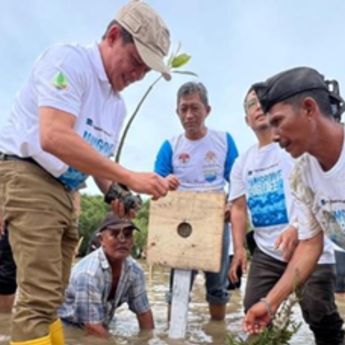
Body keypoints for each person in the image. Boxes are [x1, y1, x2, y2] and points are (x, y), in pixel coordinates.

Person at [0, 1, 171, 344]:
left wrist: (116, 192)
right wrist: (130, 175)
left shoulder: (116, 106)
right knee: (36, 297)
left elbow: (94, 162)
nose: (138, 75)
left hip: (68, 191)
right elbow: (53, 136)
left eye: (146, 71)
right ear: (112, 37)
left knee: (54, 296)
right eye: (137, 62)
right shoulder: (69, 62)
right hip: (31, 176)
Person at [229, 88, 343, 345]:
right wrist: (238, 249)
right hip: (268, 251)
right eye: (250, 104)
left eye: (262, 103)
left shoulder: (297, 148)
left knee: (319, 312)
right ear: (246, 118)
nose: (257, 108)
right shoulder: (243, 162)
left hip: (308, 243)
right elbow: (237, 207)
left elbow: (315, 204)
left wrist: (296, 228)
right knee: (254, 312)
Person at [154, 81, 239, 320]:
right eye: (183, 109)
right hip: (180, 222)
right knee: (178, 287)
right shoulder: (170, 145)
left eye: (195, 108)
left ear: (207, 110)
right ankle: (174, 335)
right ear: (177, 112)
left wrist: (231, 203)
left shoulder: (224, 140)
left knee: (217, 287)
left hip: (215, 220)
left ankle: (218, 334)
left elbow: (238, 181)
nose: (189, 115)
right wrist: (165, 183)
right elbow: (155, 184)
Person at [58, 213, 153, 338]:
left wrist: (148, 340)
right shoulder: (89, 274)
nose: (122, 240)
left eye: (127, 234)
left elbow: (144, 313)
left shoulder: (135, 271)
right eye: (114, 234)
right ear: (101, 239)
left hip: (100, 322)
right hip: (69, 327)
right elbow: (92, 328)